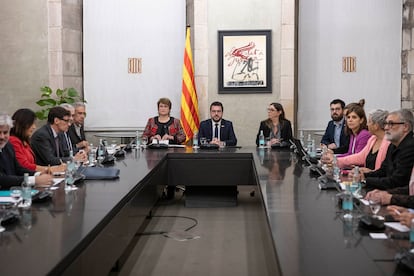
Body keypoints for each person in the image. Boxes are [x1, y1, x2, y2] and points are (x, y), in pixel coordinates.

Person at [321, 109, 390, 173]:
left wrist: (335, 159)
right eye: (348, 117)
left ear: (376, 126)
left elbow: (385, 172)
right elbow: (360, 157)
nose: (367, 124)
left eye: (369, 122)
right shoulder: (373, 139)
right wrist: (336, 160)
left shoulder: (388, 143)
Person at [362, 109, 414, 191]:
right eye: (386, 124)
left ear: (405, 127)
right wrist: (363, 175)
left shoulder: (410, 148)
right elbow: (383, 171)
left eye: (391, 124)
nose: (386, 128)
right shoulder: (392, 145)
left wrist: (365, 180)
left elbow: (397, 181)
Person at [0, 113, 53, 189]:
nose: (2, 137)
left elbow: (18, 169)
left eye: (5, 132)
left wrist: (38, 174)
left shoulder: (8, 146)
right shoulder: (12, 142)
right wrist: (34, 180)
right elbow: (2, 179)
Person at [9, 108, 66, 173]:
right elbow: (23, 165)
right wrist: (49, 169)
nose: (34, 127)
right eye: (32, 124)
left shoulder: (25, 141)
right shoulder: (13, 141)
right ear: (23, 124)